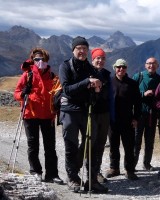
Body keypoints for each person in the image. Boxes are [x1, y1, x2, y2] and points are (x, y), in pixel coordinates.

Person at [58, 36, 107, 193]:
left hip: (86, 110)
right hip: (69, 110)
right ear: (73, 50)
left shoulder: (91, 69)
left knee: (90, 144)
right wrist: (87, 82)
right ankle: (73, 178)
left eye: (85, 48)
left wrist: (97, 89)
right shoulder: (65, 66)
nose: (82, 51)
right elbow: (67, 89)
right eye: (79, 48)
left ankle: (91, 180)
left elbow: (95, 94)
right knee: (70, 145)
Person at [14, 48, 63, 185]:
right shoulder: (27, 75)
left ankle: (52, 174)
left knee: (50, 146)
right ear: (32, 60)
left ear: (46, 60)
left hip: (48, 115)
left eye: (42, 59)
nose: (40, 61)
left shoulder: (53, 77)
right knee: (33, 145)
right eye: (37, 59)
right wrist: (23, 94)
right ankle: (35, 171)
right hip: (30, 114)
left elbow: (58, 93)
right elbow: (17, 93)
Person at [105, 59, 142, 181]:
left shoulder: (132, 84)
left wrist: (136, 118)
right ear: (114, 68)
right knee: (114, 146)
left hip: (128, 120)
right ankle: (114, 168)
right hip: (113, 121)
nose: (121, 69)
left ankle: (129, 170)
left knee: (129, 146)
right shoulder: (109, 82)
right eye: (119, 67)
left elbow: (138, 103)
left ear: (126, 68)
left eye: (123, 67)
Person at [132, 57, 160, 171]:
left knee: (149, 141)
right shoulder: (138, 76)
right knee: (136, 140)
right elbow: (130, 93)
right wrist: (143, 94)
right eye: (149, 63)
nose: (151, 65)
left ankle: (147, 164)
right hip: (138, 114)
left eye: (154, 63)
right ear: (145, 65)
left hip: (152, 114)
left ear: (157, 66)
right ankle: (132, 165)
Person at [90, 48, 113, 183]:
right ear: (93, 59)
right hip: (91, 113)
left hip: (104, 113)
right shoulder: (87, 73)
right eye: (98, 58)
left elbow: (110, 96)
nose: (100, 61)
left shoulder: (106, 75)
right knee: (91, 143)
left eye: (103, 58)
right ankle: (90, 172)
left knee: (100, 143)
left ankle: (96, 171)